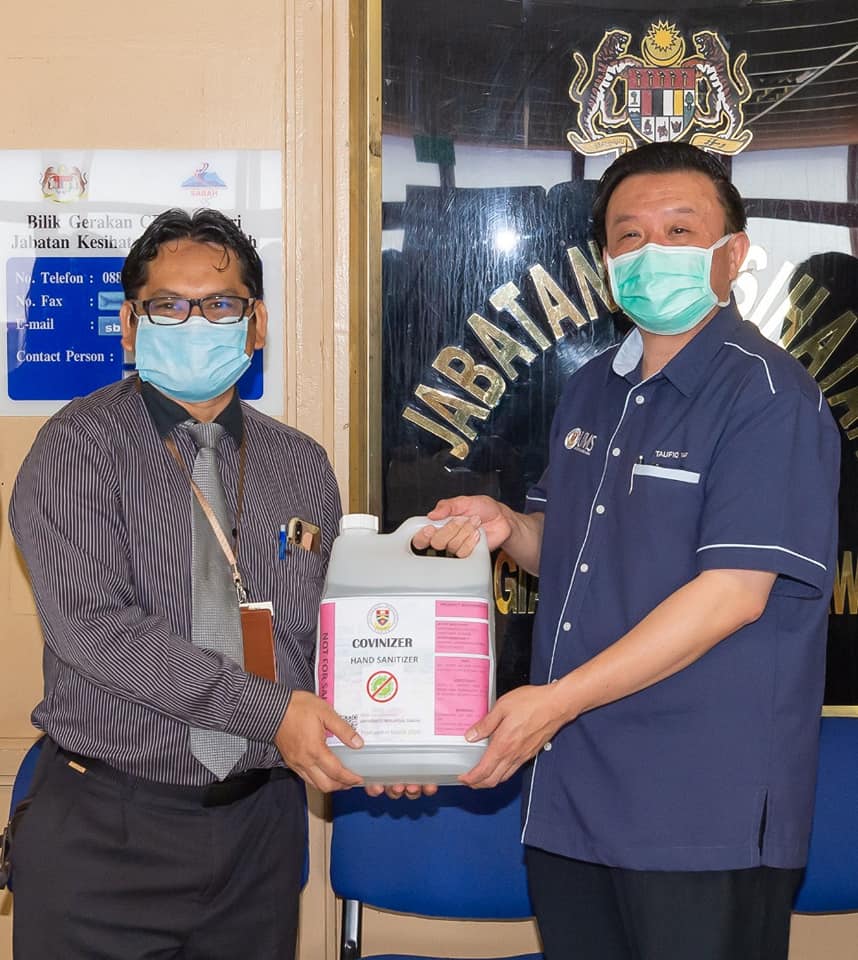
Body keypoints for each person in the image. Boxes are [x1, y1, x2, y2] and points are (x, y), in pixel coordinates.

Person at [415, 142, 840, 960]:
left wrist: (555, 701)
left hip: (699, 810)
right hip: (575, 792)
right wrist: (506, 526)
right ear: (606, 262)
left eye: (681, 230)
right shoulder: (592, 388)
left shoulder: (767, 395)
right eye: (630, 236)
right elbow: (566, 548)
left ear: (733, 255)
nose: (653, 252)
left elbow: (732, 595)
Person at [7, 208, 365, 959]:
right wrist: (273, 711)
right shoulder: (76, 449)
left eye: (220, 304)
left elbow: (331, 636)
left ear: (256, 324)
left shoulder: (301, 465)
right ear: (129, 327)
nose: (195, 323)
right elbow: (96, 630)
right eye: (168, 304)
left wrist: (385, 741)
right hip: (107, 830)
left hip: (260, 833)